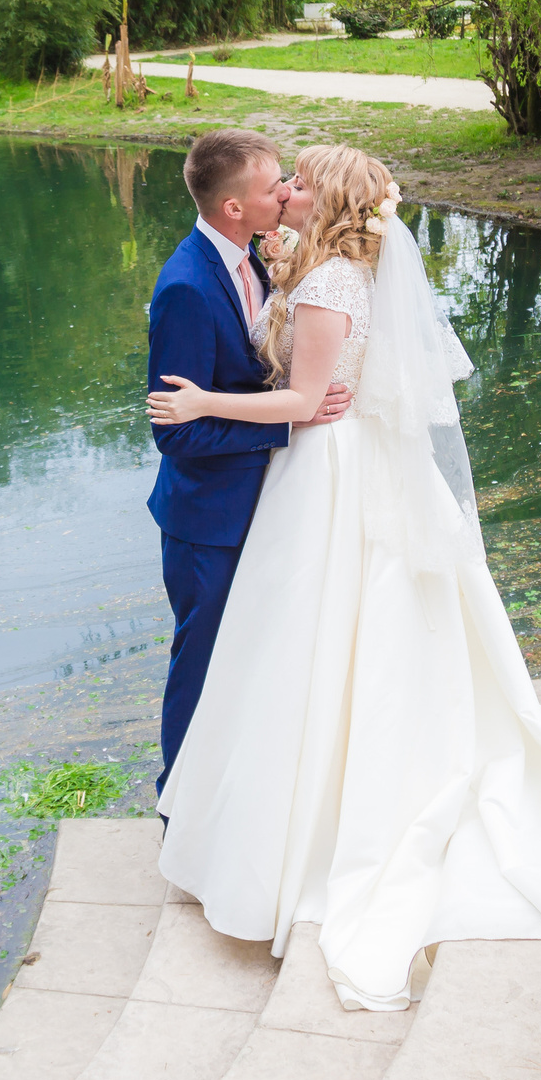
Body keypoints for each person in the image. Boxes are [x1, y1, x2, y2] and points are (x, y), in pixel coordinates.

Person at [146, 143, 541, 1011]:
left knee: (312, 637)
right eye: (275, 183)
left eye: (297, 181)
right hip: (315, 470)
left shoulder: (332, 284)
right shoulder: (303, 268)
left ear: (325, 202)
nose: (286, 191)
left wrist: (207, 400)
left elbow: (302, 402)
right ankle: (235, 810)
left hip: (328, 471)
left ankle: (280, 825)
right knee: (290, 644)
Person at [143, 130, 350, 796]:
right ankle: (179, 803)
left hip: (265, 506)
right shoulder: (186, 287)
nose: (285, 192)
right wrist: (289, 425)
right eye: (272, 187)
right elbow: (178, 435)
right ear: (235, 208)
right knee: (201, 665)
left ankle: (236, 799)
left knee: (252, 663)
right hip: (208, 520)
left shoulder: (254, 259)